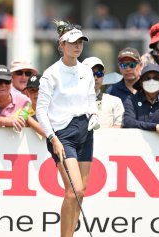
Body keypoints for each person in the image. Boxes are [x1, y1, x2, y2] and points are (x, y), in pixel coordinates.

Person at [36, 20, 99, 237]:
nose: (77, 46)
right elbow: (40, 111)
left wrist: (94, 114)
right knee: (74, 191)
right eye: (72, 42)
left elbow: (91, 99)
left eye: (80, 42)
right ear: (61, 45)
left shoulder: (86, 71)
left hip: (85, 131)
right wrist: (52, 138)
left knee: (82, 193)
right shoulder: (51, 74)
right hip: (62, 134)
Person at [122, 63, 159, 135]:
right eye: (147, 78)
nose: (151, 81)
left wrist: (152, 127)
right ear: (141, 83)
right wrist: (155, 127)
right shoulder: (131, 100)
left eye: (156, 78)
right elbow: (128, 122)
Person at [82, 56, 124, 128]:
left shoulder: (115, 101)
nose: (95, 78)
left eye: (99, 74)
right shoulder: (72, 101)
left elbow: (119, 125)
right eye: (91, 74)